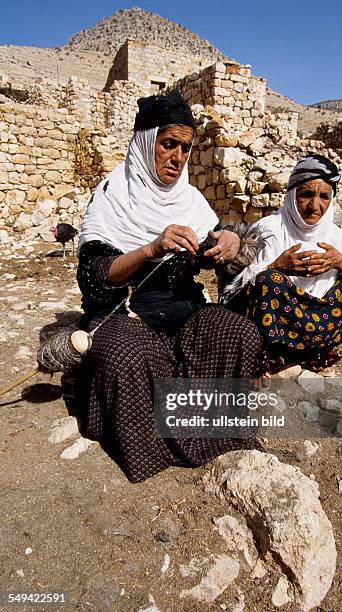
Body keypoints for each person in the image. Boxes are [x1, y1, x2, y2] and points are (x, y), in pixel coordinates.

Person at [76, 90, 263, 483]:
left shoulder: (190, 200)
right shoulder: (112, 196)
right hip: (126, 314)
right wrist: (150, 248)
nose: (177, 158)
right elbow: (95, 277)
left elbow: (215, 253)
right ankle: (157, 447)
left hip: (182, 310)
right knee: (129, 354)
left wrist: (227, 244)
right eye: (168, 145)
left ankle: (214, 427)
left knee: (239, 333)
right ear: (147, 142)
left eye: (185, 148)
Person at [222, 154, 342, 374]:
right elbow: (231, 292)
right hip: (273, 332)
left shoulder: (333, 235)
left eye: (324, 197)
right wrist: (276, 268)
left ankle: (315, 359)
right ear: (292, 195)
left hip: (317, 326)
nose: (315, 206)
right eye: (307, 195)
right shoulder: (269, 230)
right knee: (268, 280)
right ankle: (270, 361)